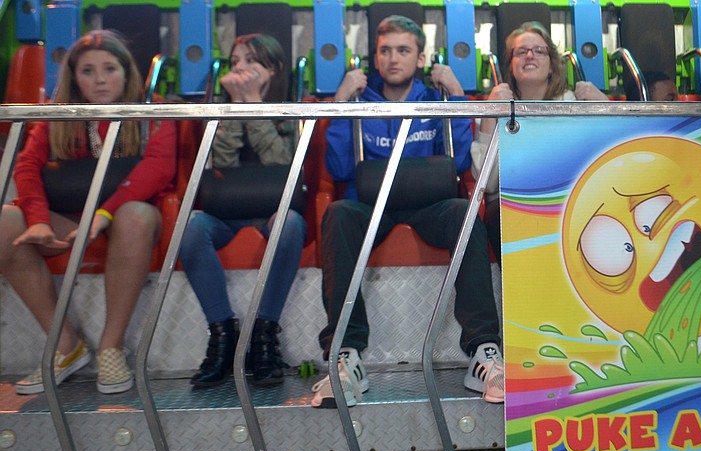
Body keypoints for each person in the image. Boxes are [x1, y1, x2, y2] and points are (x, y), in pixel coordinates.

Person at [312, 15, 504, 407]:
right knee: (338, 215)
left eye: (403, 50)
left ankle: (484, 353)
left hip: (429, 204)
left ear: (420, 58)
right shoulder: (361, 101)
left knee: (463, 214)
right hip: (371, 205)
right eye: (385, 51)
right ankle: (345, 357)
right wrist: (341, 103)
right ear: (374, 58)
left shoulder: (435, 100)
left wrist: (457, 97)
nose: (393, 59)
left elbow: (461, 161)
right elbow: (338, 167)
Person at [0, 30, 177, 395]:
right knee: (4, 222)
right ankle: (66, 345)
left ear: (126, 73)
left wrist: (103, 215)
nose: (99, 79)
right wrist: (36, 219)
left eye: (109, 69)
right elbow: (27, 166)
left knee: (134, 215)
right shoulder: (57, 113)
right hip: (69, 218)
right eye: (88, 71)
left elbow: (158, 168)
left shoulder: (153, 110)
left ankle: (111, 348)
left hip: (128, 219)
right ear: (74, 76)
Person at [178, 33, 306, 388]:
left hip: (273, 208)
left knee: (291, 225)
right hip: (225, 208)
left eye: (251, 61)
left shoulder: (290, 109)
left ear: (274, 69)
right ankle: (222, 334)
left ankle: (264, 335)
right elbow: (220, 161)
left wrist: (253, 105)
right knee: (190, 228)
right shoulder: (221, 107)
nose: (241, 68)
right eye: (236, 62)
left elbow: (282, 161)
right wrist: (236, 109)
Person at [471, 21, 609, 262]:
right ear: (510, 65)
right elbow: (487, 183)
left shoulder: (574, 103)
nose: (529, 56)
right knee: (498, 214)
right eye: (520, 51)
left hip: (569, 199)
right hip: (513, 204)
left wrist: (606, 107)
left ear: (552, 64)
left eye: (539, 50)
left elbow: (609, 158)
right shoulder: (497, 105)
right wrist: (490, 115)